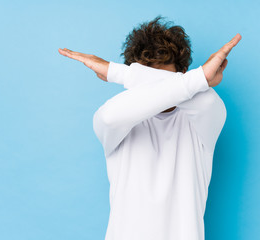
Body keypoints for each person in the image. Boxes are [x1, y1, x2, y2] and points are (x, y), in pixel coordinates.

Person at [58, 16, 241, 240]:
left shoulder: (202, 117)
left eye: (166, 79)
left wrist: (118, 73)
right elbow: (108, 118)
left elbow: (206, 100)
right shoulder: (118, 119)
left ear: (183, 75)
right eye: (145, 79)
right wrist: (199, 78)